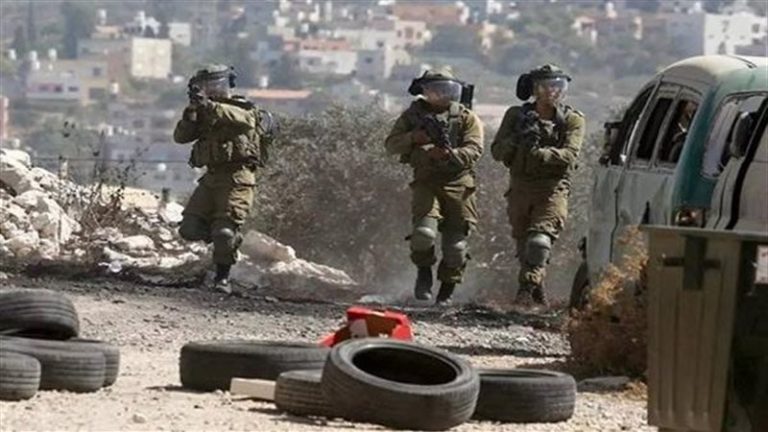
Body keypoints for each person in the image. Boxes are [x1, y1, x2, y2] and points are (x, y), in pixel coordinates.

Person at [384, 68, 484, 305]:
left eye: (446, 89)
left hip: (459, 185)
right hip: (426, 182)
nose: (441, 94)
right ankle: (424, 272)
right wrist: (414, 138)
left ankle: (447, 290)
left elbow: (475, 149)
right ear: (425, 91)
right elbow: (391, 145)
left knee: (456, 248)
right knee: (423, 235)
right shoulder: (412, 116)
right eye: (435, 89)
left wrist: (450, 154)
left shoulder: (466, 117)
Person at [173, 64, 275, 294]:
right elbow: (181, 137)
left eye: (217, 84)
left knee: (224, 233)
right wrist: (191, 113)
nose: (213, 89)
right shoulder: (203, 112)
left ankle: (222, 278)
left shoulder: (242, 108)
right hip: (211, 177)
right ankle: (225, 241)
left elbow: (244, 120)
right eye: (207, 85)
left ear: (228, 84)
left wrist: (210, 106)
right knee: (188, 229)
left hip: (238, 178)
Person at [490, 64, 586, 306]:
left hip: (552, 190)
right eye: (546, 86)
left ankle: (525, 291)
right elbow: (497, 151)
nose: (553, 91)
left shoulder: (572, 119)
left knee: (539, 242)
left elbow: (570, 155)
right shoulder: (516, 116)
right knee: (525, 247)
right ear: (534, 89)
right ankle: (538, 291)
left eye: (558, 86)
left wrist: (540, 153)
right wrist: (518, 139)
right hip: (520, 188)